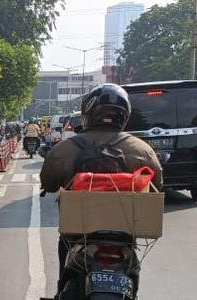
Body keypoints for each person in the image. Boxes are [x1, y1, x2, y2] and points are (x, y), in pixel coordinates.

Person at [40, 83, 164, 284]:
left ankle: (61, 289)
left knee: (65, 243)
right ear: (124, 115)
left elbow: (49, 183)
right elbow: (157, 186)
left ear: (87, 112)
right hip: (125, 231)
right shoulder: (142, 149)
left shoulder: (64, 149)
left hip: (78, 232)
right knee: (132, 263)